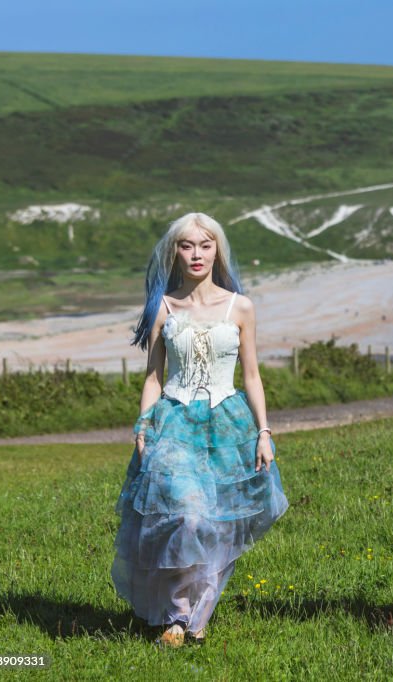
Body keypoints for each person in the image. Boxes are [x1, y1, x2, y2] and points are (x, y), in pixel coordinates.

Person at [112, 212, 288, 647]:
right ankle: (177, 614)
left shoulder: (240, 306)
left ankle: (197, 616)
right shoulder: (163, 306)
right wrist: (143, 426)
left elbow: (251, 375)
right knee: (185, 518)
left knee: (215, 524)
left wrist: (264, 432)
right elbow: (153, 377)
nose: (196, 254)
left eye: (205, 245)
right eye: (187, 246)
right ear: (175, 252)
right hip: (173, 421)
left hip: (229, 424)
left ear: (217, 251)